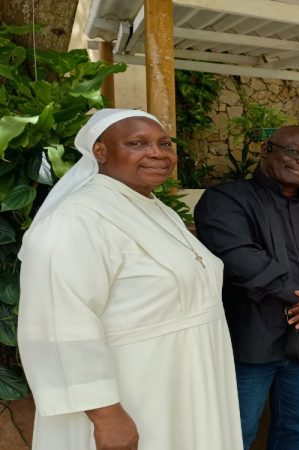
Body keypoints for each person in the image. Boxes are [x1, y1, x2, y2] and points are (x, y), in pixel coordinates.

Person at [17, 109, 242, 450]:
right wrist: (107, 417)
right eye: (137, 143)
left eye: (164, 143)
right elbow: (59, 324)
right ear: (100, 152)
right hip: (133, 388)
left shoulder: (157, 208)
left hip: (189, 377)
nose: (157, 152)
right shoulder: (76, 219)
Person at [193, 125, 299, 450]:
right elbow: (240, 257)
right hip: (249, 339)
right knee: (235, 431)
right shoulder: (225, 199)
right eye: (294, 152)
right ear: (266, 150)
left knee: (296, 430)